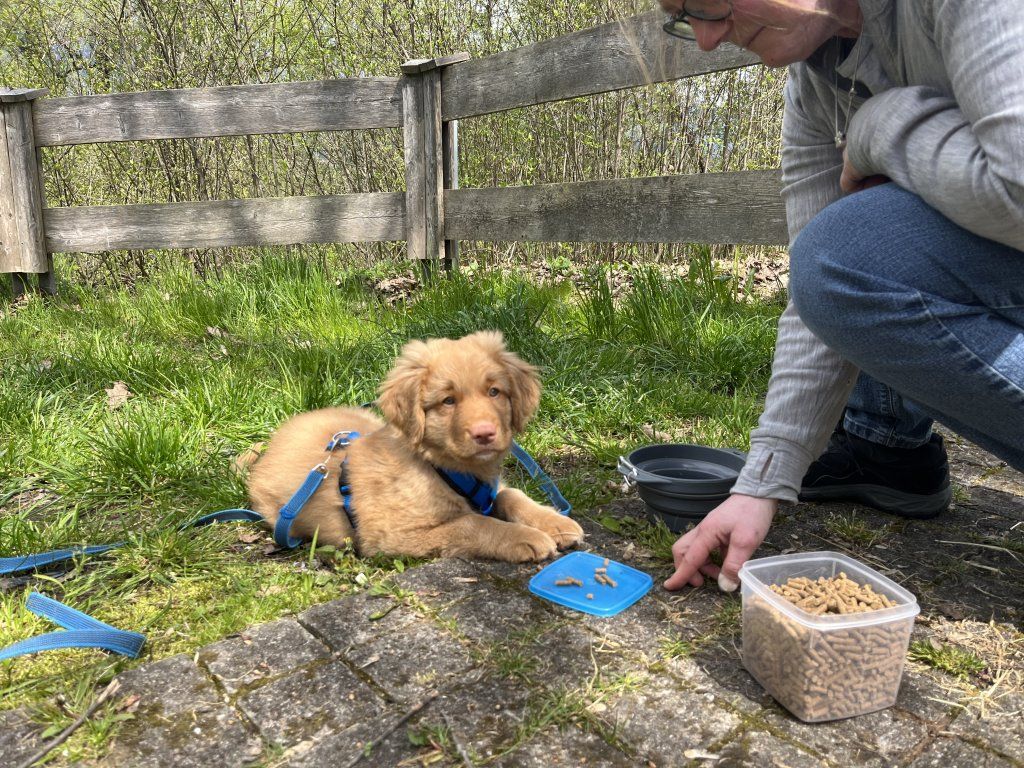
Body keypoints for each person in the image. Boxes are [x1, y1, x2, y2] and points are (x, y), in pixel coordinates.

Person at [657, 0, 1024, 591]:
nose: (704, 39)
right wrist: (761, 485)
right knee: (846, 249)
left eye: (709, 4)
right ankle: (888, 449)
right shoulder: (813, 83)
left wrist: (880, 126)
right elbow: (820, 289)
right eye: (682, 17)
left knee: (856, 240)